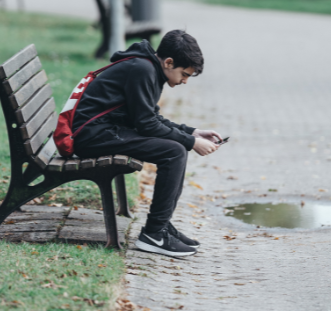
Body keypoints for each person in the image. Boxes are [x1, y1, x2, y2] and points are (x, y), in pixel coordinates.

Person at [72, 30, 222, 257]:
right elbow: (147, 124)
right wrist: (191, 142)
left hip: (106, 131)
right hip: (92, 136)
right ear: (169, 62)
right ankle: (153, 234)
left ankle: (160, 226)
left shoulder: (149, 68)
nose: (185, 81)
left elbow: (150, 117)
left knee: (176, 149)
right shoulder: (142, 70)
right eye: (184, 74)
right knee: (174, 152)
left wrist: (193, 132)